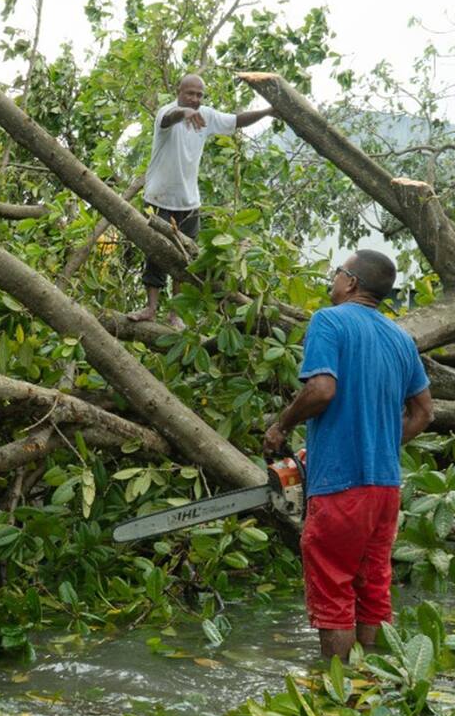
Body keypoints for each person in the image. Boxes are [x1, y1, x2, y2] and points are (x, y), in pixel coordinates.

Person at [263, 251, 432, 662]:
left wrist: (281, 427)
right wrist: (381, 446)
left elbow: (321, 390)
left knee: (333, 589)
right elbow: (424, 412)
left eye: (337, 272)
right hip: (385, 488)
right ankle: (371, 687)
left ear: (351, 282)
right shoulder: (400, 339)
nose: (333, 280)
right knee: (373, 588)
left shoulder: (329, 320)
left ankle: (335, 693)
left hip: (341, 485)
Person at [126, 73, 273, 329]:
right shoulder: (168, 112)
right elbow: (168, 120)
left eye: (198, 95)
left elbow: (237, 120)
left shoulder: (206, 115)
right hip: (159, 198)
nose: (194, 99)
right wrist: (182, 113)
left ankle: (175, 314)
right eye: (189, 94)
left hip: (189, 202)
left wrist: (268, 111)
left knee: (184, 260)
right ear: (178, 91)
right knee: (156, 255)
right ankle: (150, 308)